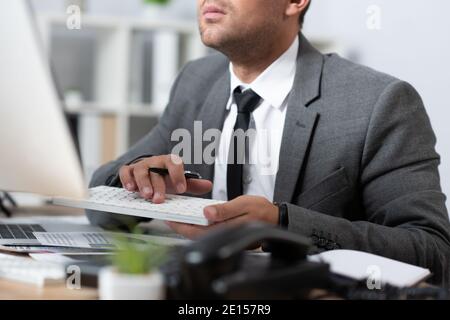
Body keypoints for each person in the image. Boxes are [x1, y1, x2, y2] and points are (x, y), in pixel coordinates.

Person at [87, 0, 450, 285]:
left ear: (295, 1)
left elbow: (433, 252)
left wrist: (281, 223)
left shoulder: (379, 101)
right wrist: (133, 184)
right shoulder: (196, 82)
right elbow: (96, 205)